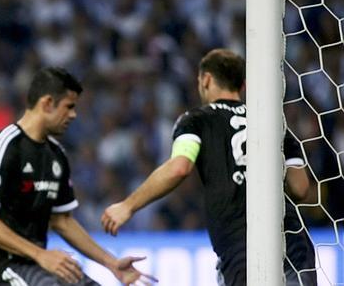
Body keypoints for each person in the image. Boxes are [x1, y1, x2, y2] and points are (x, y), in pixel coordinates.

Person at [101, 49, 316, 286]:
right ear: (242, 85)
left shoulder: (195, 120)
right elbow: (300, 188)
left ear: (206, 79)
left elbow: (180, 167)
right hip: (292, 243)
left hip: (241, 247)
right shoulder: (273, 122)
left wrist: (128, 206)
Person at [0, 67, 155, 285]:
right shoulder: (7, 146)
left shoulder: (56, 154)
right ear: (47, 103)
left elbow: (62, 220)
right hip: (1, 266)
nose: (73, 115)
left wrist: (111, 263)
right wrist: (40, 254)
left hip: (38, 264)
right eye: (69, 107)